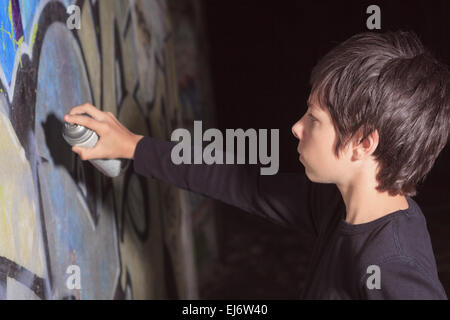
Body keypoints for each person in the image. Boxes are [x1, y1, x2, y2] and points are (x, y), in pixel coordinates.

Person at [64, 30, 450, 299]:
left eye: (314, 119)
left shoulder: (394, 261)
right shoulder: (337, 205)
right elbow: (237, 181)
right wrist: (134, 146)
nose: (297, 127)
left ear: (363, 143)